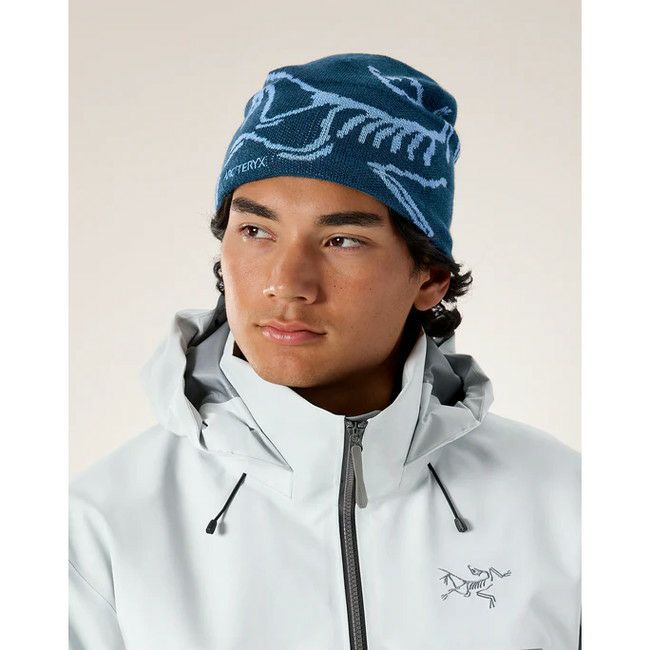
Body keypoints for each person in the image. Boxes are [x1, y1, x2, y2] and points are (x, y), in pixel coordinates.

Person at [69, 53, 581, 650]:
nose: (287, 283)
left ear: (430, 278)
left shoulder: (569, 507)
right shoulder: (99, 529)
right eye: (256, 231)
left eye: (342, 240)